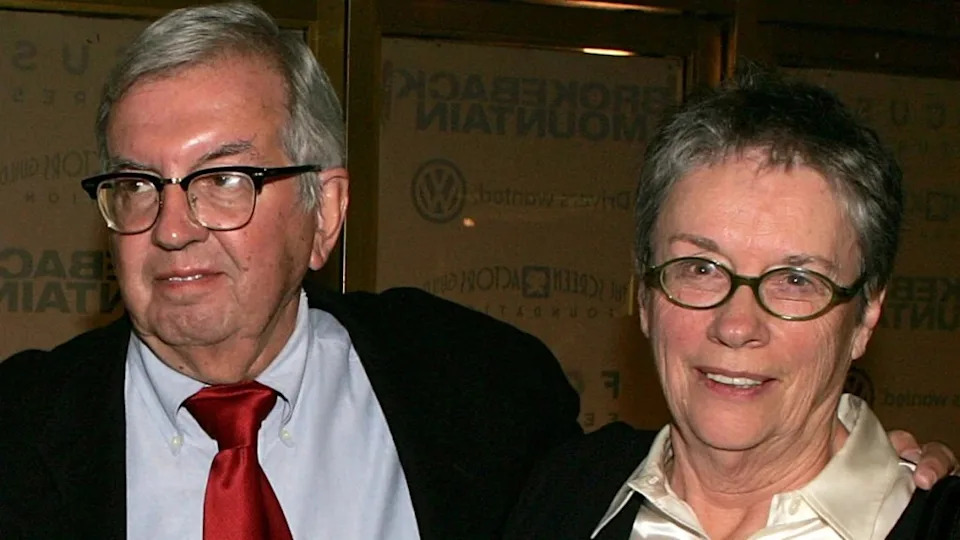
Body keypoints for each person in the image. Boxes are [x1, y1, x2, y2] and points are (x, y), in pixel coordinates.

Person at [0, 5, 953, 540]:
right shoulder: (15, 438)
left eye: (225, 180)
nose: (173, 227)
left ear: (326, 210)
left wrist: (866, 470)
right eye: (137, 183)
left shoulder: (486, 394)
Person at [504, 66, 960, 539]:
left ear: (866, 314)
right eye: (700, 269)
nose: (737, 325)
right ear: (644, 294)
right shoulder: (565, 492)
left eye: (796, 279)